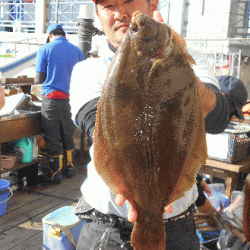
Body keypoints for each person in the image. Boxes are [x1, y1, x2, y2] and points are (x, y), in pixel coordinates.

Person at [70, 0, 247, 249]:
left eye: (129, 1)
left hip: (180, 229)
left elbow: (217, 119)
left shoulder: (189, 57)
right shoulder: (87, 70)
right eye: (109, 5)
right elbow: (99, 129)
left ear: (152, 3)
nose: (121, 13)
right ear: (99, 15)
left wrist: (179, 68)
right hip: (107, 230)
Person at [35, 24, 84, 184]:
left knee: (52, 136)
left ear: (50, 35)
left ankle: (54, 174)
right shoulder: (77, 50)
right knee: (67, 133)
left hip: (52, 100)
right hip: (71, 100)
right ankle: (70, 168)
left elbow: (39, 79)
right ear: (64, 34)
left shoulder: (45, 49)